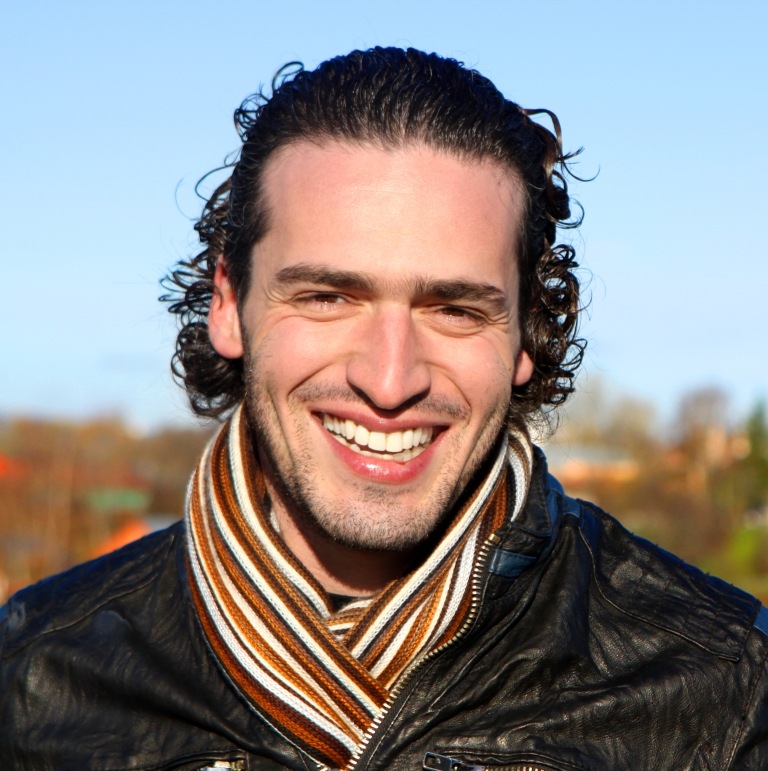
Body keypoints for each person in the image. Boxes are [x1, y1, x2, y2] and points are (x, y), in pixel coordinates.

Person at [1, 47, 767, 771]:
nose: (390, 379)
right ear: (228, 304)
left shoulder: (721, 686)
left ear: (526, 331)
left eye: (454, 309)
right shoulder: (35, 675)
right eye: (328, 297)